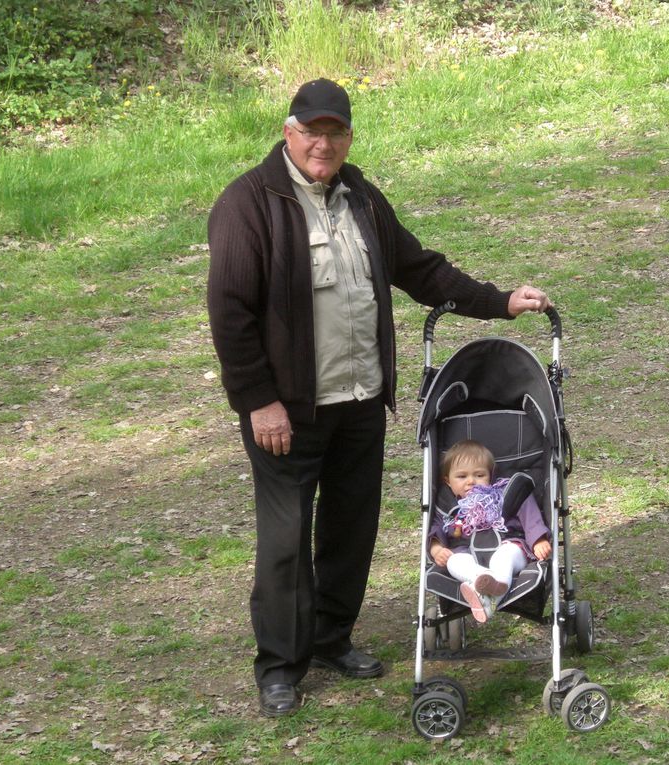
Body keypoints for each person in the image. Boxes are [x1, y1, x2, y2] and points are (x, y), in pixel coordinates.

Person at [206, 78, 552, 717]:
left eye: (336, 132)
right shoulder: (248, 204)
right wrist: (259, 400)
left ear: (348, 138)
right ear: (289, 133)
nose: (323, 143)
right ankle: (281, 666)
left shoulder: (360, 195)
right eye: (312, 131)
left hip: (360, 399)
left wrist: (499, 302)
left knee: (350, 527)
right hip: (288, 410)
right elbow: (229, 312)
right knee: (285, 539)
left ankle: (332, 638)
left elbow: (420, 271)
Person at [429, 440, 552, 623]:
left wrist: (538, 539)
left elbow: (530, 513)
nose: (471, 481)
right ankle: (483, 584)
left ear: (491, 475)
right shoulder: (447, 506)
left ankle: (487, 593)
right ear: (447, 481)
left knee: (502, 557)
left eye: (479, 475)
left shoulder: (503, 494)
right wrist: (437, 549)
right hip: (467, 552)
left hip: (509, 545)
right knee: (454, 561)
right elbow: (436, 528)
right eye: (461, 477)